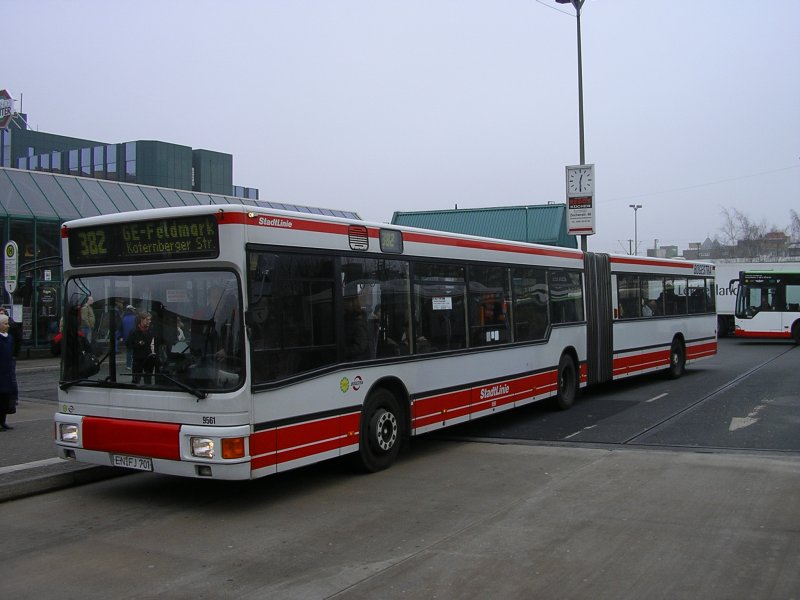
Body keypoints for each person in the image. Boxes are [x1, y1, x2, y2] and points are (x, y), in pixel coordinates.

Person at [127, 311, 156, 384]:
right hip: (138, 358)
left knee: (148, 380)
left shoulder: (151, 331)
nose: (149, 321)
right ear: (141, 320)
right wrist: (138, 343)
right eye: (147, 319)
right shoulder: (134, 332)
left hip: (149, 358)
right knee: (136, 379)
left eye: (150, 319)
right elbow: (129, 345)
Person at [0, 314, 18, 430]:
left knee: (6, 399)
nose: (8, 326)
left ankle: (3, 421)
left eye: (7, 323)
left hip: (7, 371)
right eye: (5, 324)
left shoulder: (9, 338)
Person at [343, 294, 369, 360]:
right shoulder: (348, 318)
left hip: (356, 361)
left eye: (346, 301)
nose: (344, 303)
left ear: (352, 304)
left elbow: (360, 347)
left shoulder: (359, 323)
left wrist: (344, 351)